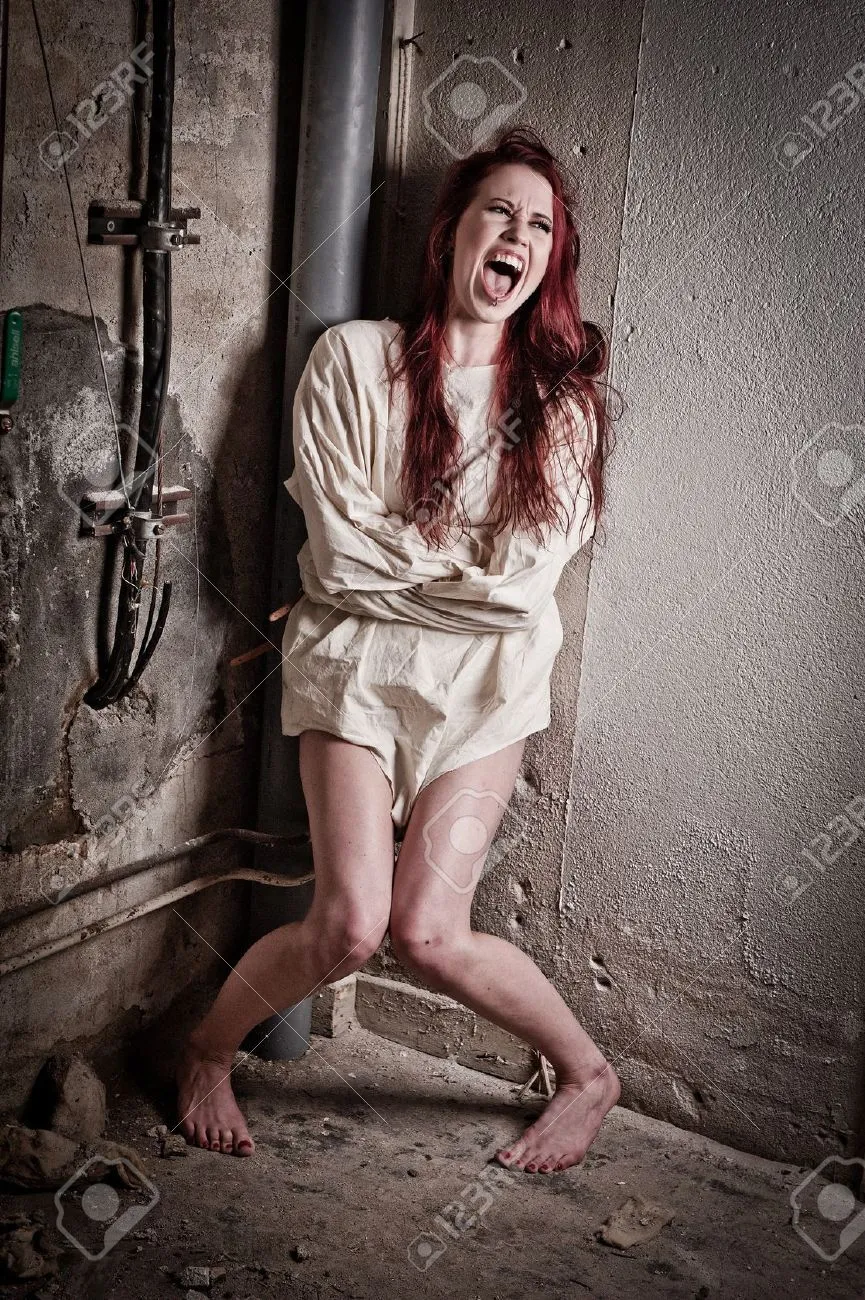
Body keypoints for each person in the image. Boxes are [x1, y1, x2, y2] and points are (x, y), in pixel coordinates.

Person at [176, 124, 620, 1174]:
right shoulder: (353, 359)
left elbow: (522, 593)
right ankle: (205, 1052)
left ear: (550, 260)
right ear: (452, 232)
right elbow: (335, 560)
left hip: (487, 691)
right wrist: (459, 566)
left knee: (427, 931)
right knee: (348, 926)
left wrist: (406, 556)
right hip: (354, 673)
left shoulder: (561, 407)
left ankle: (589, 1076)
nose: (517, 235)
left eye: (540, 226)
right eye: (498, 211)